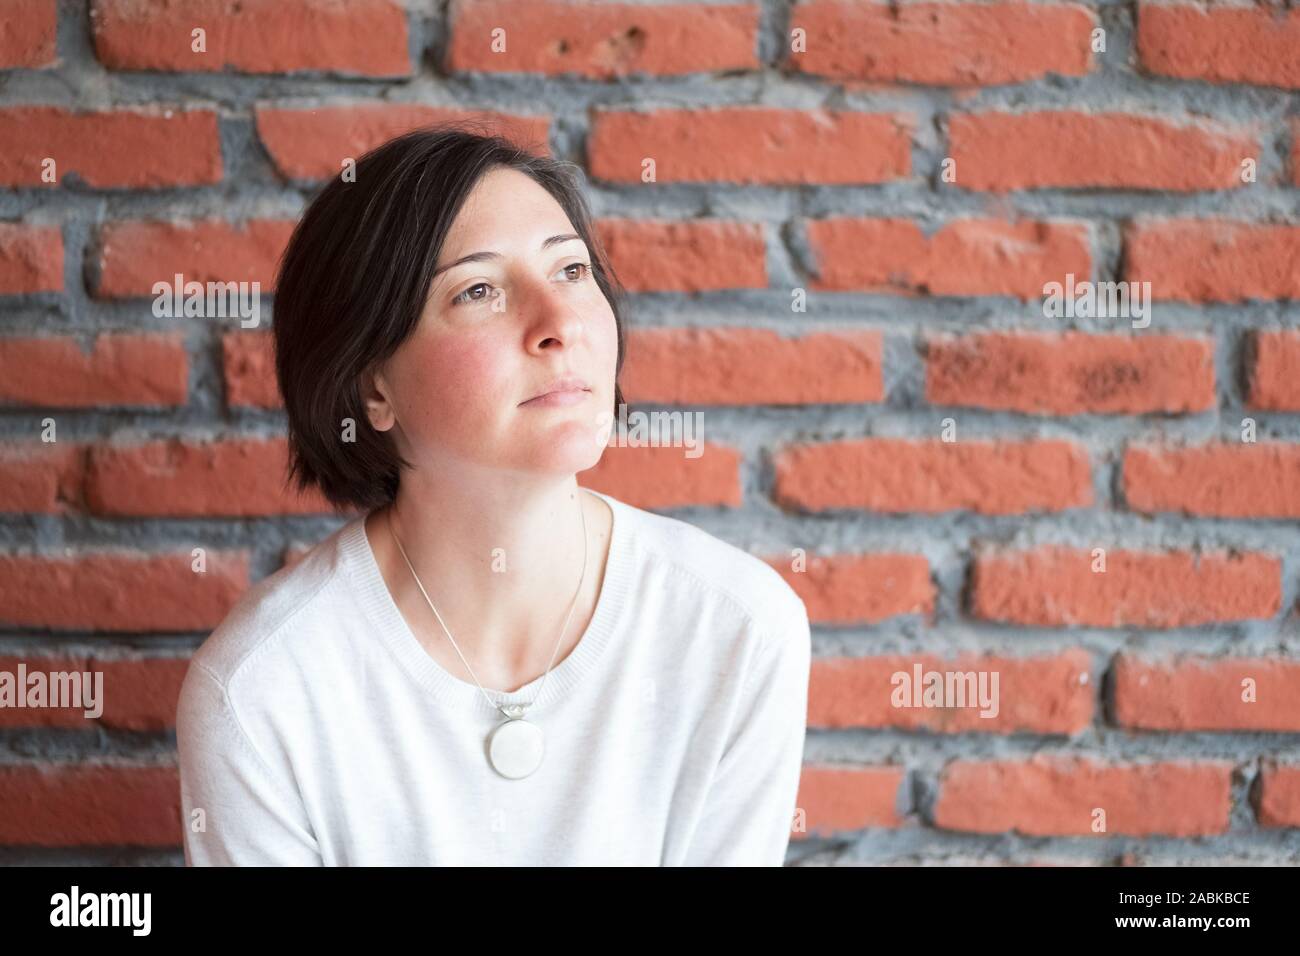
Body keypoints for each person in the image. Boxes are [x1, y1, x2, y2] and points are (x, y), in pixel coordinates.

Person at [175, 125, 812, 866]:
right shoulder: (262, 691)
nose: (561, 323)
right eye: (478, 289)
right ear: (373, 385)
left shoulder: (737, 629)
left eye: (572, 271)